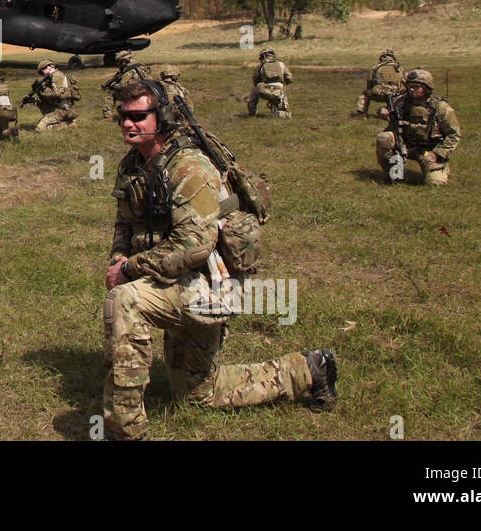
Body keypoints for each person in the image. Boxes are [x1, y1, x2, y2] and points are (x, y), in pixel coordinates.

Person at [102, 80, 337, 440]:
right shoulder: (133, 164)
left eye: (138, 116)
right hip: (171, 280)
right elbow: (125, 221)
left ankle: (124, 430)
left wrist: (130, 270)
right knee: (197, 395)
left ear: (162, 117)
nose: (128, 124)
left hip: (210, 286)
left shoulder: (188, 167)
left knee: (125, 302)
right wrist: (119, 256)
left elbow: (194, 245)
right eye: (123, 117)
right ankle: (308, 370)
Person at [374, 69, 461, 185]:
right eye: (410, 86)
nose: (412, 89)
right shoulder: (401, 102)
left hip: (426, 152)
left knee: (435, 183)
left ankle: (440, 169)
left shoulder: (440, 107)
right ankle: (394, 172)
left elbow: (454, 135)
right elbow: (383, 109)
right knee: (383, 138)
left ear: (426, 88)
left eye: (416, 87)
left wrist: (436, 154)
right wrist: (384, 112)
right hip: (406, 148)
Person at [101, 51, 155, 119]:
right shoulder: (141, 65)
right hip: (149, 90)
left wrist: (113, 86)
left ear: (124, 61)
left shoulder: (128, 71)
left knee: (111, 93)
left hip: (136, 92)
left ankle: (108, 116)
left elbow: (123, 86)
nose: (119, 64)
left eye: (119, 62)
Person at [29, 59, 79, 132]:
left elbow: (56, 94)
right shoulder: (52, 78)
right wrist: (37, 95)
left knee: (39, 130)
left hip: (63, 110)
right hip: (60, 108)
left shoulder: (57, 75)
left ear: (48, 67)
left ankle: (68, 125)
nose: (43, 74)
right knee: (40, 102)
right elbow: (48, 96)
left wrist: (43, 88)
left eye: (43, 72)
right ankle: (63, 121)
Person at [356, 49, 405, 118]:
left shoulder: (376, 67)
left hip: (380, 92)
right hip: (396, 94)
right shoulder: (400, 68)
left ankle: (361, 113)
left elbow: (370, 81)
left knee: (365, 94)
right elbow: (405, 81)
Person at [247, 48, 293, 118]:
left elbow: (256, 81)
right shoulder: (281, 64)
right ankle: (281, 112)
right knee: (285, 112)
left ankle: (252, 113)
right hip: (279, 90)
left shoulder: (260, 66)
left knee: (255, 91)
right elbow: (289, 78)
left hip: (265, 90)